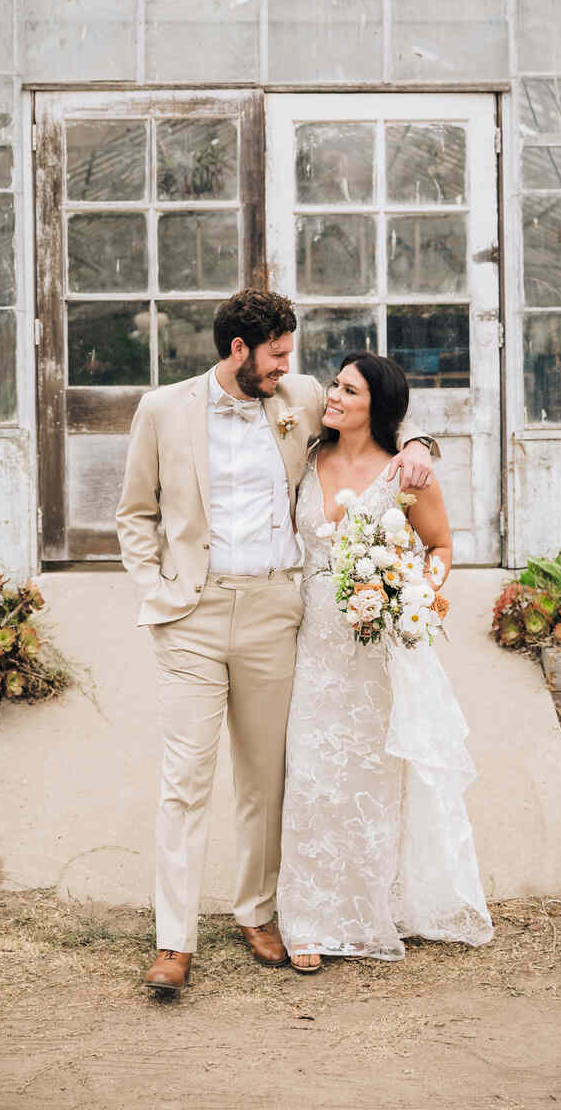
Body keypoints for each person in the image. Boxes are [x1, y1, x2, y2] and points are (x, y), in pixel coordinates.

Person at [115, 289, 438, 995]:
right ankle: (174, 941)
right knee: (185, 781)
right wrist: (156, 589)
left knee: (264, 779)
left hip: (272, 611)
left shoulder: (293, 396)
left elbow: (375, 411)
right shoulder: (163, 410)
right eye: (279, 352)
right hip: (191, 617)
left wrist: (418, 443)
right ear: (240, 350)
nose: (291, 366)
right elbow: (133, 513)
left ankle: (257, 912)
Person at [277, 351, 493, 972]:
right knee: (314, 774)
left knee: (372, 777)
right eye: (335, 387)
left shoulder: (405, 472)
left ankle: (371, 909)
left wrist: (418, 594)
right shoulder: (307, 457)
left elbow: (441, 546)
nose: (334, 397)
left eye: (348, 390)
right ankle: (309, 919)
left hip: (377, 646)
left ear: (379, 405)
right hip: (313, 637)